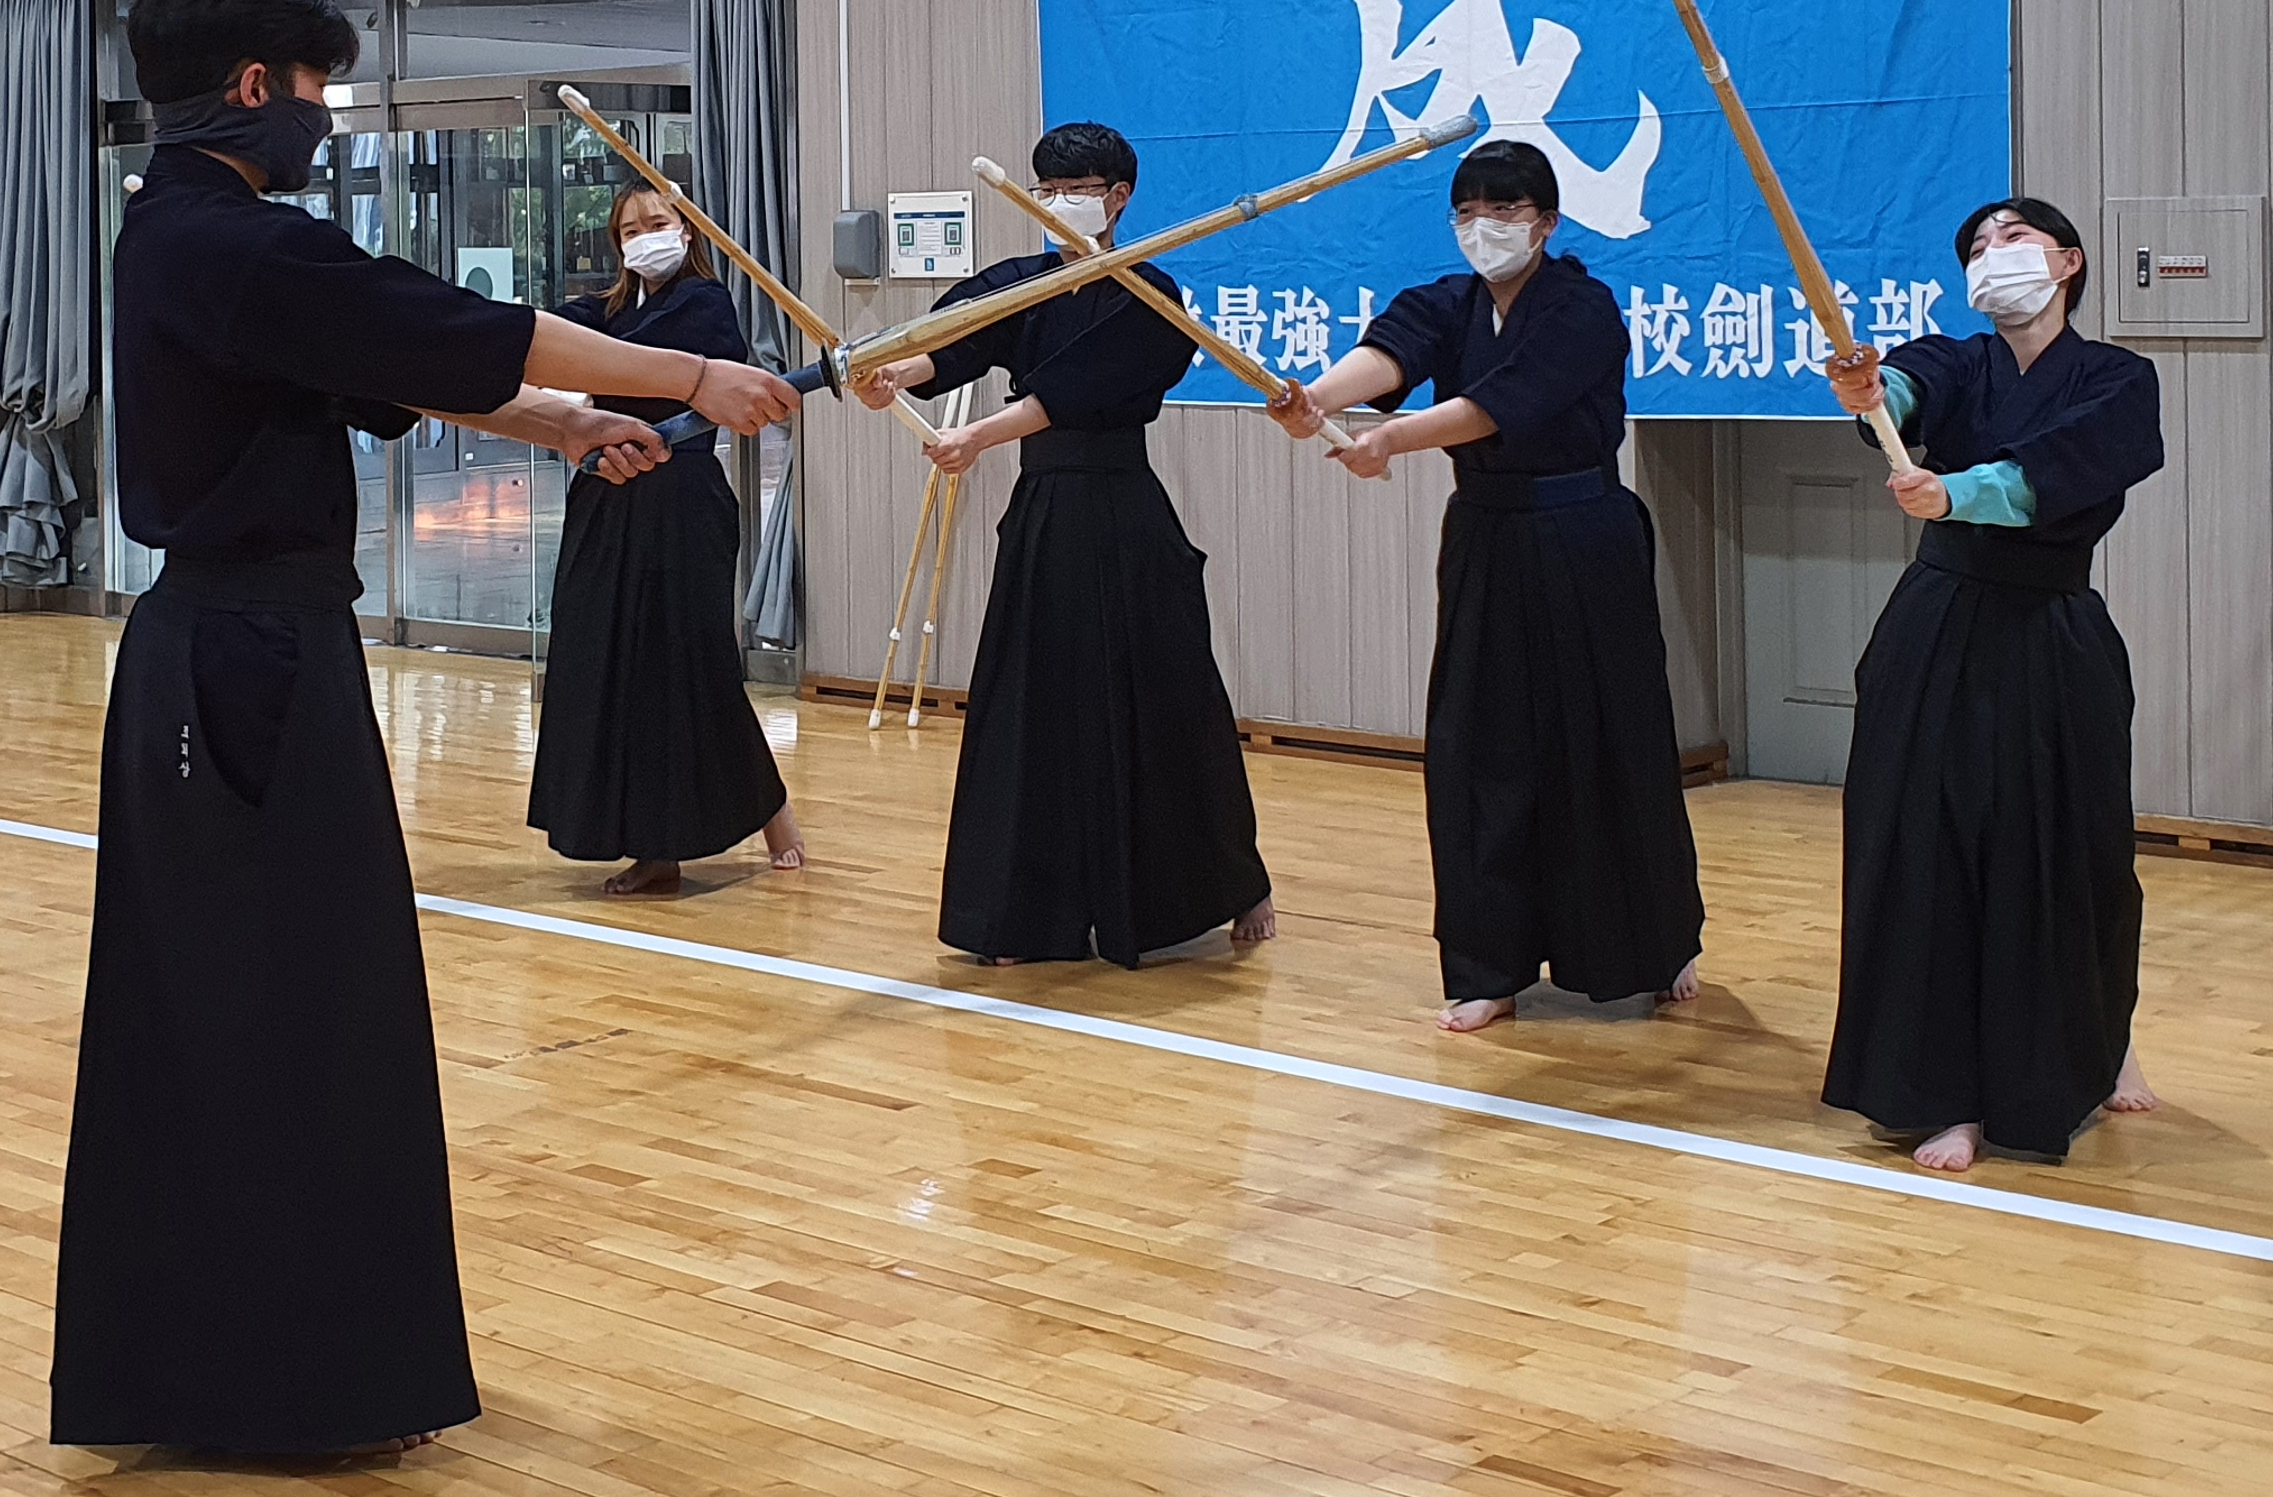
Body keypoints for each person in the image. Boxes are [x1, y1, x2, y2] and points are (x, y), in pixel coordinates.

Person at [55, 0, 800, 1461]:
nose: (321, 115)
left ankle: (271, 1364)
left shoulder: (185, 232)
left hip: (246, 648)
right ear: (253, 85)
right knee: (277, 1011)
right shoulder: (233, 239)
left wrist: (566, 426)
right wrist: (684, 380)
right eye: (314, 86)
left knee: (286, 1002)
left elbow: (399, 371)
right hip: (243, 663)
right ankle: (270, 1378)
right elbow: (457, 325)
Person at [1274, 139, 1707, 1032]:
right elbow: (1390, 355)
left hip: (1584, 535)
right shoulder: (1448, 301)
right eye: (1468, 212)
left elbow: (1501, 402)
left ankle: (1652, 944)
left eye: (1505, 211)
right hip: (1486, 537)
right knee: (1480, 744)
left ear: (1546, 222)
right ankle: (1489, 965)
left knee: (1609, 735)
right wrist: (1316, 399)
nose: (1484, 228)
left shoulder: (1583, 307)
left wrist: (1389, 441)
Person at [848, 120, 1276, 967]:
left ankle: (1231, 883)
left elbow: (1079, 392)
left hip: (1123, 513)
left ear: (1118, 197)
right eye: (1046, 190)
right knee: (1032, 708)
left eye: (1075, 191)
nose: (1057, 203)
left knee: (1169, 697)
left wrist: (979, 437)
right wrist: (895, 372)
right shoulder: (1020, 284)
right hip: (1043, 515)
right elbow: (958, 341)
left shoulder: (1152, 294)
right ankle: (1028, 912)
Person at [1821, 197, 2165, 1174]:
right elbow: (1905, 391)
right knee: (1926, 849)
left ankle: (2095, 1040)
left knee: (2070, 848)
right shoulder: (1956, 359)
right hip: (1936, 625)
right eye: (1976, 245)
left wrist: (1956, 492)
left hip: (2050, 631)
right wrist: (1871, 389)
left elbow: (2063, 470)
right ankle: (1947, 1089)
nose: (1991, 254)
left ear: (2068, 261)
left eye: (2013, 238)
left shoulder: (2118, 378)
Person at [527, 183, 802, 894]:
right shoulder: (607, 310)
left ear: (687, 232)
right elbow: (549, 341)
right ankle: (684, 824)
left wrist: (586, 363)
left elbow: (625, 362)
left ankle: (682, 841)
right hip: (605, 501)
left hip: (680, 500)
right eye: (629, 230)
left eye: (657, 223)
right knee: (600, 659)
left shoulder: (704, 304)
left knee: (685, 665)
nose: (643, 237)